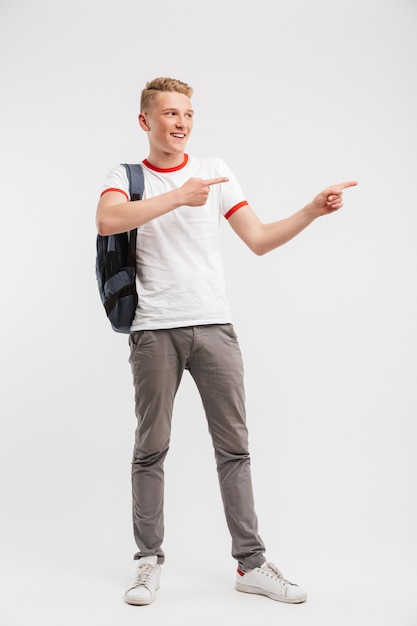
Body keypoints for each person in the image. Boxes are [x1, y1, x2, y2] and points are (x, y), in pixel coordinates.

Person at [96, 76, 357, 607]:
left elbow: (258, 240)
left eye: (188, 114)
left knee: (234, 449)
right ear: (146, 121)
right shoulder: (125, 176)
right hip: (154, 331)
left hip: (214, 326)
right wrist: (176, 199)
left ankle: (252, 564)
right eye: (169, 114)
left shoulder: (214, 172)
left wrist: (310, 210)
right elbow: (107, 219)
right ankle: (148, 562)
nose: (181, 123)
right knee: (151, 448)